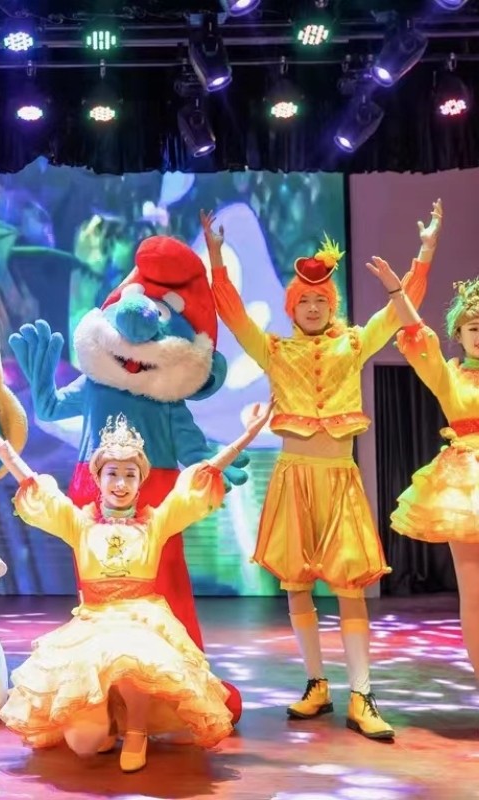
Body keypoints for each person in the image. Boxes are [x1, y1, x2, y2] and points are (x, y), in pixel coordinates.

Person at [204, 200, 442, 740]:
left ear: (331, 306)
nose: (312, 307)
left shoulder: (353, 344)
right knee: (297, 586)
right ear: (291, 306)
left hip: (339, 480)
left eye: (321, 300)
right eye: (304, 300)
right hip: (293, 478)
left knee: (349, 586)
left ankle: (362, 693)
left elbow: (402, 310)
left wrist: (424, 253)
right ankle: (316, 684)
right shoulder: (275, 350)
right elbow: (232, 312)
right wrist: (217, 256)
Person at [0, 391, 272, 773]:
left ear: (140, 482)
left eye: (129, 475)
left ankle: (137, 730)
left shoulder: (156, 522)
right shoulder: (80, 523)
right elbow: (31, 482)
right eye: (112, 473)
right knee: (84, 744)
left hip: (140, 619)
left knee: (130, 653)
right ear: (98, 477)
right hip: (94, 621)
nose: (120, 483)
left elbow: (203, 478)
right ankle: (111, 718)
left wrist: (247, 436)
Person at [372, 260, 479, 679]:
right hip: (463, 485)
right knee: (474, 595)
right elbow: (419, 337)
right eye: (473, 328)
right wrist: (398, 293)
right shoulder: (449, 375)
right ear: (459, 334)